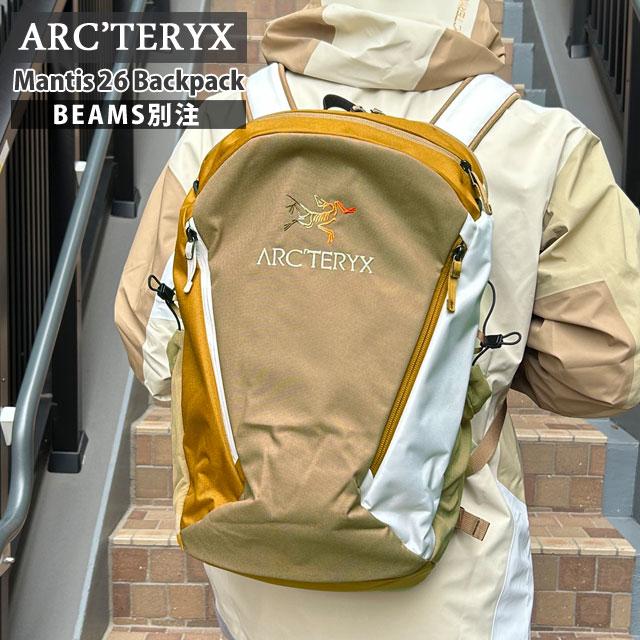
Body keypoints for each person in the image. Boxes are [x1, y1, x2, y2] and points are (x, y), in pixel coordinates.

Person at [115, 2, 640, 638]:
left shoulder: (229, 116)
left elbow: (152, 343)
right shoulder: (540, 140)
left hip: (255, 554)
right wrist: (471, 359)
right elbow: (606, 369)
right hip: (449, 562)